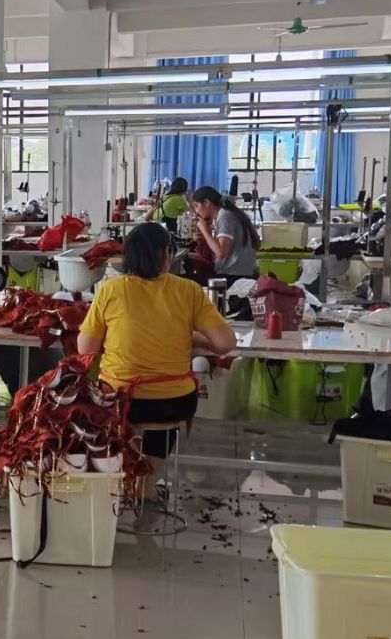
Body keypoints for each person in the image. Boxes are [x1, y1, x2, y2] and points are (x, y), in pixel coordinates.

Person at [77, 222, 236, 510]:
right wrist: (189, 338)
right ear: (167, 254)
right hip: (173, 403)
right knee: (162, 414)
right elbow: (225, 344)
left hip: (119, 401)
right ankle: (147, 489)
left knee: (121, 415)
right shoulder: (188, 290)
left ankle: (125, 480)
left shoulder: (110, 290)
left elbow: (85, 349)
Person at [190, 185, 260, 280]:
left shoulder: (225, 216)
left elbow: (221, 253)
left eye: (196, 206)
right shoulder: (224, 214)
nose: (197, 212)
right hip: (237, 272)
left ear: (206, 203)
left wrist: (205, 231)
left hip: (234, 275)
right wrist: (205, 236)